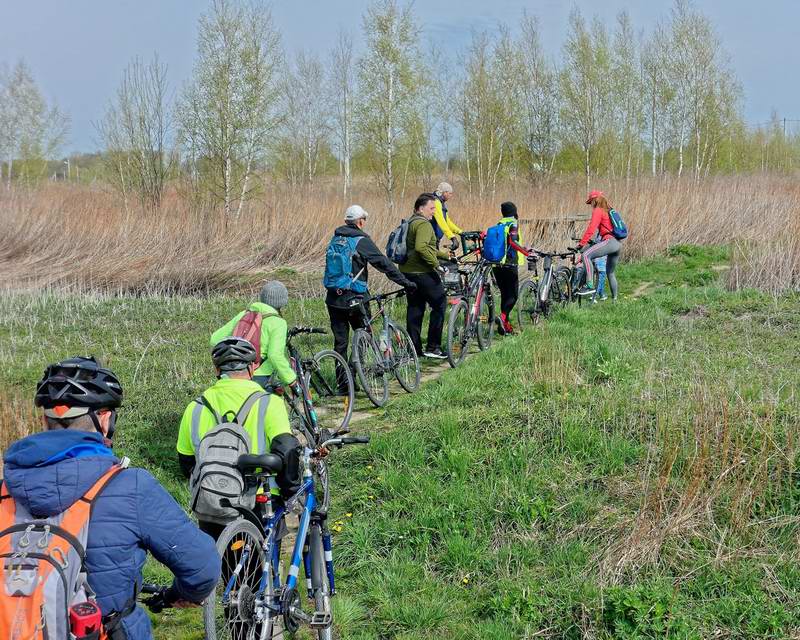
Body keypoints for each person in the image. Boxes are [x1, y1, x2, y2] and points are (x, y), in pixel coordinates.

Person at [1, 356, 220, 640]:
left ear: (45, 419)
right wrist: (179, 594)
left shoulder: (6, 487)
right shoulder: (131, 486)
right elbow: (202, 565)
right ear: (104, 419)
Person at [176, 337, 301, 540]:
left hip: (212, 502)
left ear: (217, 370)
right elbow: (286, 450)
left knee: (222, 568)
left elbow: (186, 463)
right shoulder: (269, 403)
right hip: (260, 500)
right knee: (263, 566)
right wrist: (290, 492)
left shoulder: (195, 408)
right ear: (253, 367)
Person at [324, 204, 417, 388]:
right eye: (364, 220)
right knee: (363, 334)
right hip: (355, 298)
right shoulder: (360, 240)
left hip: (333, 298)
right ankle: (355, 374)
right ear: (360, 221)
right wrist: (406, 282)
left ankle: (344, 385)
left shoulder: (335, 239)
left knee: (340, 343)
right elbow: (384, 264)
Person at [210, 280, 296, 391]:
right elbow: (275, 355)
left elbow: (214, 339)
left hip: (235, 373)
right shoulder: (278, 322)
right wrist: (291, 379)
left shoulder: (245, 314)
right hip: (260, 376)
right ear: (283, 301)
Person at [400, 193, 452, 358]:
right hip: (422, 272)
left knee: (415, 308)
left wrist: (445, 256)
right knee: (440, 303)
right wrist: (437, 265)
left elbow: (426, 247)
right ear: (420, 209)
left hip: (407, 272)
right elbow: (422, 248)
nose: (434, 212)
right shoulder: (423, 224)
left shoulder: (411, 222)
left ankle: (414, 349)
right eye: (431, 208)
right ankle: (433, 346)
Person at [491, 201, 532, 335]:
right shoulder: (513, 223)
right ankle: (502, 318)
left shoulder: (499, 224)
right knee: (513, 295)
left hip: (496, 265)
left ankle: (505, 327)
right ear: (514, 211)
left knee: (505, 295)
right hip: (509, 264)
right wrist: (527, 253)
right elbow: (513, 242)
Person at [574, 190, 621, 299]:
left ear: (595, 200)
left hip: (609, 242)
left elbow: (591, 229)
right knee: (610, 273)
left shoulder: (598, 210)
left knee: (585, 255)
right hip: (617, 244)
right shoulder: (608, 210)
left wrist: (581, 244)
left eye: (591, 202)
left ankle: (589, 285)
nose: (591, 205)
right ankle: (615, 301)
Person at [431, 182, 462, 251]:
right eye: (450, 193)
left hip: (434, 239)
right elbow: (441, 221)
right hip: (429, 240)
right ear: (444, 192)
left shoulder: (441, 203)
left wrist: (460, 232)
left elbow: (447, 221)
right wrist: (452, 237)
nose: (451, 196)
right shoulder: (436, 202)